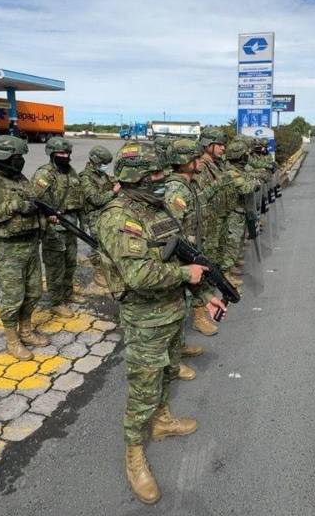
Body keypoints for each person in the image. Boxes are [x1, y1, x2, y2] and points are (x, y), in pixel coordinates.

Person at [94, 141, 226, 504]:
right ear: (134, 178)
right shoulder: (117, 217)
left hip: (171, 311)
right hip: (144, 318)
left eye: (161, 173)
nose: (160, 179)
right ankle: (134, 453)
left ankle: (163, 419)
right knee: (143, 388)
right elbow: (137, 275)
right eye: (153, 174)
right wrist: (187, 273)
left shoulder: (157, 209)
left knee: (168, 371)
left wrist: (203, 295)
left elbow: (185, 253)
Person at [0, 135, 49, 360]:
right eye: (17, 157)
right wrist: (14, 206)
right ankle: (12, 341)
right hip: (6, 249)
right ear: (4, 157)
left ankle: (26, 330)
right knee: (13, 297)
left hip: (30, 244)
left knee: (34, 292)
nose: (21, 161)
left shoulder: (20, 178)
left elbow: (32, 203)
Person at [163, 138, 212, 375]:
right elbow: (172, 233)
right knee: (176, 309)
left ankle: (179, 346)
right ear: (184, 162)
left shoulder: (187, 184)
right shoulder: (176, 191)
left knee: (184, 305)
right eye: (195, 157)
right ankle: (171, 364)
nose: (200, 160)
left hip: (190, 255)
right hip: (180, 260)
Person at [32, 137, 83, 317]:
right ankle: (56, 302)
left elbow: (79, 196)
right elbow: (34, 202)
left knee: (70, 263)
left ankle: (68, 293)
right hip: (54, 230)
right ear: (52, 154)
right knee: (55, 267)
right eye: (61, 153)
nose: (65, 156)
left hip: (70, 227)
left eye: (67, 153)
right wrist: (47, 216)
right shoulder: (44, 174)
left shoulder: (71, 172)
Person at [192, 127, 228, 335]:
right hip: (203, 227)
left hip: (214, 222)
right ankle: (198, 316)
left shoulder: (215, 165)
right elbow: (199, 198)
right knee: (201, 272)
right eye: (220, 144)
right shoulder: (201, 167)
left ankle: (204, 306)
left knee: (210, 267)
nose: (223, 148)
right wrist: (221, 183)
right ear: (208, 145)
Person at [79, 145, 117, 287]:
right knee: (98, 245)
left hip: (105, 213)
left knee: (108, 244)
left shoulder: (102, 175)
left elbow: (112, 181)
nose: (105, 167)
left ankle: (107, 270)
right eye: (103, 164)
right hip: (93, 216)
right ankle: (99, 273)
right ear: (95, 161)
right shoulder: (85, 177)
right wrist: (113, 192)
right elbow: (95, 199)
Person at [222, 139, 258, 280]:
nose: (247, 156)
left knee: (238, 240)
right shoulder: (231, 172)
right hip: (233, 212)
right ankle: (227, 271)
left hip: (240, 211)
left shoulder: (239, 170)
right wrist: (255, 182)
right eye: (245, 154)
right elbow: (246, 187)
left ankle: (233, 263)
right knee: (232, 242)